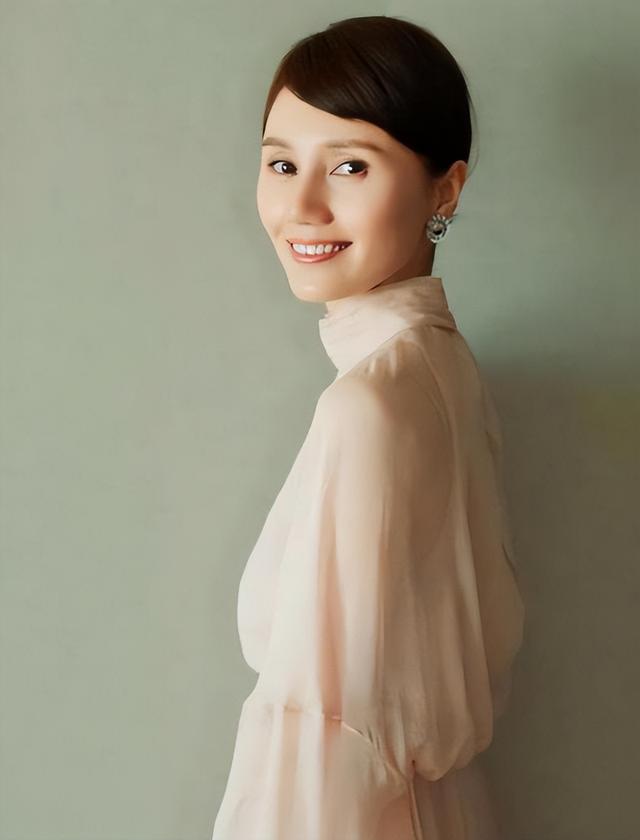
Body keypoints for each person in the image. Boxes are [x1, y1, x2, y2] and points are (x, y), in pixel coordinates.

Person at [211, 15, 526, 840]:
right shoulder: (442, 368)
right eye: (282, 163)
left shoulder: (370, 406)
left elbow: (325, 768)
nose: (302, 206)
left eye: (350, 165)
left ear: (445, 190)